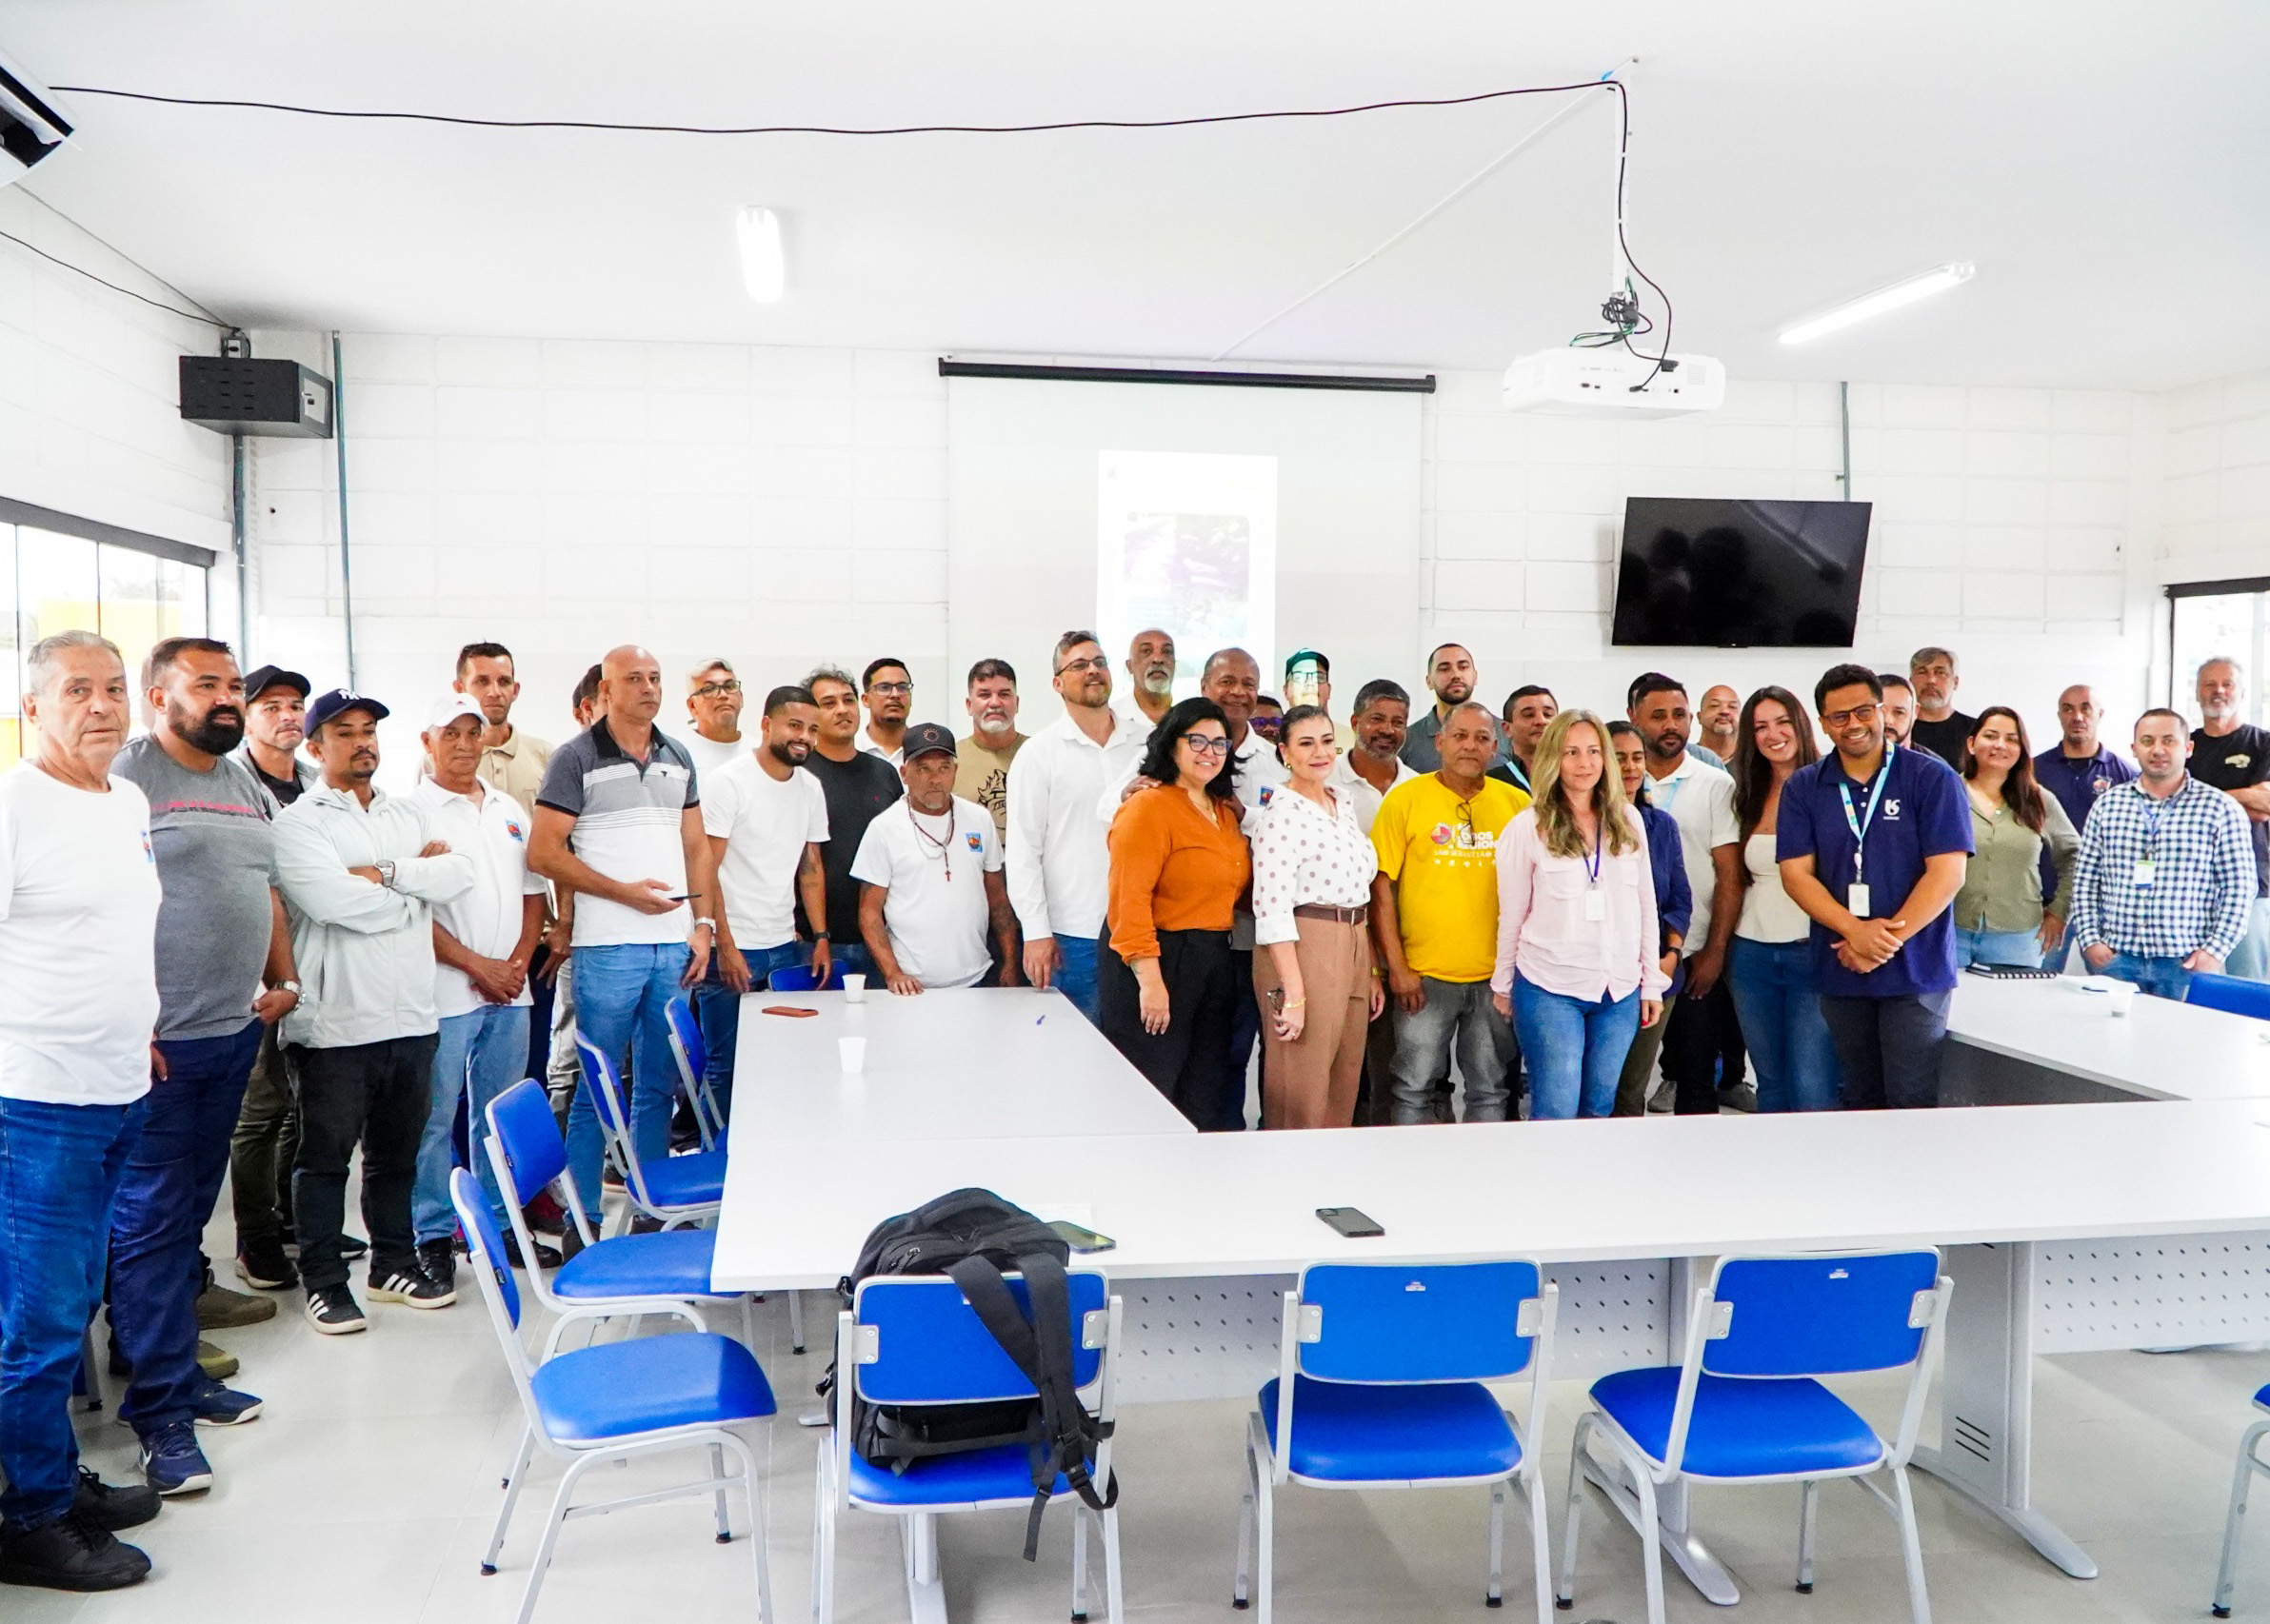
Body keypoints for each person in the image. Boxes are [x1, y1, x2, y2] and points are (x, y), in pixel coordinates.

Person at [0, 632, 166, 1591]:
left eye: (112, 687)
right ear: (33, 707)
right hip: (38, 1101)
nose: (101, 704)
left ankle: (56, 1478)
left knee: (75, 1301)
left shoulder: (125, 799)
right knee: (40, 1321)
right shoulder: (13, 807)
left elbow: (110, 935)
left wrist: (136, 1030)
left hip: (118, 1086)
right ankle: (28, 1517)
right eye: (76, 690)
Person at [108, 638, 292, 1495]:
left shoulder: (242, 781)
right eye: (206, 684)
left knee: (183, 1219)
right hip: (158, 1045)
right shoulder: (127, 777)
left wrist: (283, 978)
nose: (227, 698)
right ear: (158, 696)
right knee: (150, 1223)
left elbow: (263, 887)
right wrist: (127, 1015)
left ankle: (172, 1372)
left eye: (234, 685)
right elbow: (102, 903)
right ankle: (161, 1418)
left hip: (230, 1030)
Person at [272, 688, 474, 1332]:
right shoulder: (299, 823)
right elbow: (334, 904)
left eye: (369, 731)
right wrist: (414, 888)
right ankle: (325, 1282)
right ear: (315, 746)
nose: (362, 742)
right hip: (336, 1022)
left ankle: (392, 1264)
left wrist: (383, 872)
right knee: (325, 1161)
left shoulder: (406, 813)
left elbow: (459, 875)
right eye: (345, 733)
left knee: (398, 1156)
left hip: (411, 1016)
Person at [528, 646, 717, 1244]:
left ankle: (651, 1210)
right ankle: (581, 1219)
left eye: (655, 678)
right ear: (605, 692)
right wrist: (625, 895)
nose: (648, 688)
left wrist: (704, 925)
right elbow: (543, 853)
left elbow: (696, 847)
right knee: (597, 1086)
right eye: (633, 679)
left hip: (672, 946)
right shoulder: (574, 758)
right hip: (607, 948)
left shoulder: (677, 754)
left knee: (658, 1086)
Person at [1778, 665, 1972, 1110]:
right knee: (1858, 1098)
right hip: (1842, 966)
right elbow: (1796, 875)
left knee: (1909, 1099)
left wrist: (1880, 942)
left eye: (1864, 711)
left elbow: (1947, 874)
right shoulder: (1804, 787)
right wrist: (1855, 931)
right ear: (1823, 724)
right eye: (1840, 716)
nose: (1854, 724)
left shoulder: (1932, 778)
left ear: (1883, 711)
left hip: (1915, 971)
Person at [408, 695, 550, 1290]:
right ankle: (432, 1235)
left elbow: (533, 894)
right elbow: (412, 909)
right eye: (452, 733)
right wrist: (477, 966)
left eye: (473, 733)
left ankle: (495, 1225)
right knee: (434, 1118)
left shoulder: (507, 808)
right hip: (445, 990)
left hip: (509, 990)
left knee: (495, 1115)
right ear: (427, 740)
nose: (465, 744)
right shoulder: (409, 812)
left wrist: (515, 965)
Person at [1489, 712, 1666, 1119]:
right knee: (1557, 1109)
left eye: (1593, 751)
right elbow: (1511, 913)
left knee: (1598, 1108)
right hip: (1550, 986)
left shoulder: (1629, 819)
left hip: (1618, 989)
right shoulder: (1526, 827)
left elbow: (1645, 906)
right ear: (1553, 758)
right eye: (1571, 752)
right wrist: (1503, 983)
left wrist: (1651, 984)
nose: (1585, 763)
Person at [1370, 702, 1529, 1123]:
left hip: (1496, 979)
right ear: (1440, 742)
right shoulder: (1405, 799)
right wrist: (1397, 968)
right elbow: (1380, 888)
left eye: (1481, 738)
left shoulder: (1518, 806)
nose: (1469, 746)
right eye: (1459, 736)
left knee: (1491, 1090)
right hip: (1423, 978)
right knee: (1413, 1088)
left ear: (1495, 748)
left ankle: (1482, 1166)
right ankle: (1413, 1164)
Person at [1099, 699, 1252, 1129]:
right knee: (1151, 1091)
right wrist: (1151, 982)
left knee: (1203, 1089)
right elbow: (1128, 900)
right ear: (1171, 745)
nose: (1210, 752)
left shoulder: (1223, 811)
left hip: (1213, 958)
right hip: (1155, 958)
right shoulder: (1148, 806)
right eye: (1197, 741)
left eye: (1219, 743)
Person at [229, 666, 319, 1292]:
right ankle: (256, 1241)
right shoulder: (232, 783)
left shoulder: (314, 784)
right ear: (247, 716)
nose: (287, 715)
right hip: (259, 968)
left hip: (314, 959)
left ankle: (292, 1222)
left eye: (295, 705)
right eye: (271, 706)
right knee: (261, 1110)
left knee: (302, 1102)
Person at [1249, 705, 1380, 1129]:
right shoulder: (1280, 816)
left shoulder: (1341, 804)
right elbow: (1271, 909)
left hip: (1355, 937)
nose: (1320, 752)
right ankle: (1291, 1168)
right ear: (1285, 752)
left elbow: (1359, 887)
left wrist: (1370, 969)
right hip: (1306, 942)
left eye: (1326, 741)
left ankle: (1329, 1166)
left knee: (1345, 1076)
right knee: (1302, 1080)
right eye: (1306, 744)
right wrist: (1294, 993)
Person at [1006, 633, 1146, 1022]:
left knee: (1138, 1049)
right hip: (1073, 934)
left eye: (1099, 662)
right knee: (1076, 1047)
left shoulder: (1147, 744)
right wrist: (1036, 931)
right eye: (1079, 665)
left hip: (1142, 930)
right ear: (1057, 683)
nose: (1093, 671)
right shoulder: (1038, 754)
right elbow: (1023, 852)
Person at [2068, 709, 2255, 1000]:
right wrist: (2091, 940)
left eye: (2168, 740)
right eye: (2147, 741)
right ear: (2134, 748)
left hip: (2187, 963)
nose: (2157, 750)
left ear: (2188, 748)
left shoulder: (2220, 809)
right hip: (2117, 961)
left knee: (2184, 1032)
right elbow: (2085, 881)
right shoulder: (2107, 806)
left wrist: (2215, 951)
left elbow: (2240, 888)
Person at [701, 686, 830, 1096]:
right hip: (733, 947)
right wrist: (725, 944)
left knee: (779, 1059)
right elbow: (706, 871)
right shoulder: (728, 783)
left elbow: (810, 869)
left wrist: (821, 937)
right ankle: (720, 1137)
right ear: (766, 725)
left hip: (784, 946)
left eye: (812, 729)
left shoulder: (810, 787)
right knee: (725, 1066)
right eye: (795, 725)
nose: (805, 737)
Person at [1629, 674, 1747, 1116]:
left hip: (1694, 953)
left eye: (1679, 715)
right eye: (1658, 715)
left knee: (1697, 1080)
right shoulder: (1613, 781)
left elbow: (1730, 875)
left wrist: (1715, 951)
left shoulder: (1715, 784)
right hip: (1624, 958)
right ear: (1633, 718)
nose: (1670, 725)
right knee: (1623, 1081)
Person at [1724, 686, 1842, 1113]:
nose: (1773, 735)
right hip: (1751, 956)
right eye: (1760, 727)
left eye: (1782, 722)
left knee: (1813, 1083)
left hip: (1813, 951)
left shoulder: (1832, 786)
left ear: (1802, 724)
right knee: (1770, 1084)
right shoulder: (1744, 793)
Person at [854, 723, 1018, 993]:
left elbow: (998, 900)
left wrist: (1010, 961)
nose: (935, 779)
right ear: (904, 774)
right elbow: (869, 913)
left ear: (955, 771)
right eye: (923, 769)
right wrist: (893, 973)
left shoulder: (979, 819)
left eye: (943, 768)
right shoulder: (884, 829)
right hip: (912, 986)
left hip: (978, 978)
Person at [1605, 722, 1689, 1117]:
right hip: (1597, 976)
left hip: (1654, 974)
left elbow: (1679, 899)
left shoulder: (1661, 826)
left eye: (1637, 758)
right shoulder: (1578, 825)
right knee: (1594, 1088)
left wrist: (1671, 955)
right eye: (1619, 757)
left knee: (1630, 1089)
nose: (1630, 767)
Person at [1953, 707, 2079, 969]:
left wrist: (2060, 911)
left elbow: (2076, 856)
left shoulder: (2040, 800)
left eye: (2011, 739)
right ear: (1971, 743)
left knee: (2014, 998)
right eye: (1990, 736)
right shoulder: (1947, 792)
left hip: (2017, 938)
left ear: (2022, 749)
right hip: (1951, 931)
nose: (2000, 745)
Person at [802, 666, 905, 981]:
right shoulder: (799, 775)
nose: (842, 709)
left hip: (883, 939)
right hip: (814, 942)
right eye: (828, 703)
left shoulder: (884, 773)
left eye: (848, 700)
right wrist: (817, 935)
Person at [2034, 684, 2138, 971]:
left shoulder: (2126, 775)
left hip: (2106, 905)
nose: (2077, 716)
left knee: (2111, 985)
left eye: (2085, 708)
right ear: (2059, 715)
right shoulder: (2034, 771)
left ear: (2100, 714)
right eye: (2068, 709)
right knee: (2037, 981)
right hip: (2048, 902)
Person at [2188, 658, 2270, 980]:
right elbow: (2167, 802)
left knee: (2248, 983)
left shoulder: (2264, 744)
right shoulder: (2184, 746)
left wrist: (2201, 801)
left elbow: (2264, 806)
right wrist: (2243, 796)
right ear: (2198, 692)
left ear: (2242, 692)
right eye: (2210, 684)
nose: (2218, 691)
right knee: (2190, 984)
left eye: (2227, 684)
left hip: (2251, 887)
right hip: (2188, 887)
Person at [454, 643, 552, 815]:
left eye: (504, 682)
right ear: (460, 689)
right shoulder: (438, 761)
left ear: (515, 690)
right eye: (482, 681)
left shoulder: (546, 756)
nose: (495, 692)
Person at [1401, 644, 1510, 773]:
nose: (1456, 675)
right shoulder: (1407, 739)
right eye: (1444, 669)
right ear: (1429, 681)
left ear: (1475, 676)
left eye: (1463, 667)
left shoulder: (1507, 734)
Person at [1327, 680, 1419, 835]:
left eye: (1398, 722)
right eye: (1377, 719)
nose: (1387, 730)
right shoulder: (1324, 780)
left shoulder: (1417, 787)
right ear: (1355, 723)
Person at [954, 658, 1025, 842]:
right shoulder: (951, 760)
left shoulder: (1039, 754)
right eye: (984, 695)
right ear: (969, 705)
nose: (995, 703)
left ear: (1017, 703)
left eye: (1004, 694)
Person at [1905, 646, 1977, 767]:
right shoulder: (1899, 729)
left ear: (1955, 682)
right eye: (1922, 672)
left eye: (1940, 673)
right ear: (1910, 681)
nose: (1931, 680)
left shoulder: (1975, 730)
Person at [678, 658, 747, 778]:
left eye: (730, 686)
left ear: (741, 698)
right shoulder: (677, 754)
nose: (723, 695)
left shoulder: (760, 752)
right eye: (709, 689)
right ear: (692, 706)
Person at [1489, 685, 1559, 795]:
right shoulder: (1493, 782)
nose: (1541, 721)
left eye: (1548, 714)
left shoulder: (1573, 776)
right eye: (1529, 715)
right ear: (1507, 728)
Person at [1282, 648, 1355, 749]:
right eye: (1299, 677)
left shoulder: (1351, 740)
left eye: (1319, 677)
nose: (1310, 683)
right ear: (1286, 691)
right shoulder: (1273, 736)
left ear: (1329, 690)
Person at [858, 657, 913, 766]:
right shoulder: (851, 749)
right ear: (866, 700)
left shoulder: (926, 752)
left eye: (902, 687)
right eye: (884, 688)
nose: (895, 695)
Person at [1123, 626, 1177, 730]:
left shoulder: (1191, 720)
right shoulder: (1111, 718)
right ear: (1129, 666)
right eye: (1146, 651)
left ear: (1175, 664)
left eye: (1167, 651)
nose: (1158, 659)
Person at [1696, 683, 1741, 767]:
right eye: (1714, 706)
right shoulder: (1684, 759)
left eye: (1732, 706)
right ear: (1699, 717)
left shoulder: (1753, 762)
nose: (1724, 711)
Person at [1877, 674, 1917, 747]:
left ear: (1915, 711)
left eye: (1899, 712)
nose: (1887, 721)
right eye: (1880, 711)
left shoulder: (1926, 755)